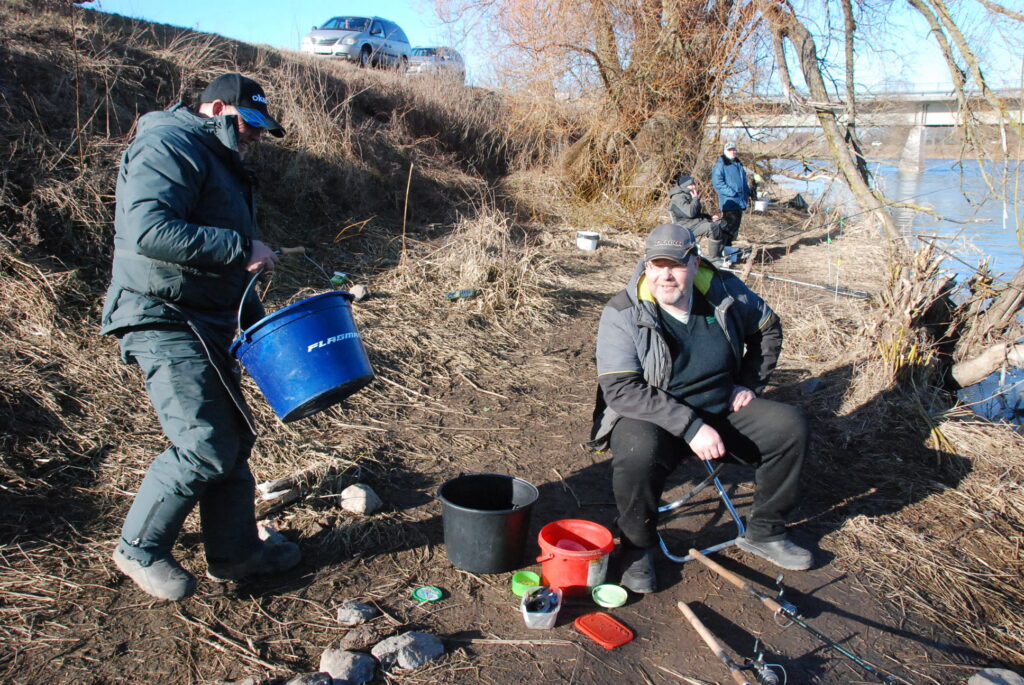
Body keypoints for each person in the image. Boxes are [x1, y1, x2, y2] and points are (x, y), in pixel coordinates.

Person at [101, 72, 300, 601]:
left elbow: (231, 262)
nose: (256, 135)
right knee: (203, 443)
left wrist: (257, 324)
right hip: (161, 315)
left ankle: (237, 553)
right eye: (249, 123)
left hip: (206, 320)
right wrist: (241, 246)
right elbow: (148, 230)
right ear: (216, 109)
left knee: (232, 439)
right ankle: (138, 548)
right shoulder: (167, 144)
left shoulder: (222, 164)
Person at [590, 223, 811, 594]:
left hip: (722, 408)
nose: (665, 275)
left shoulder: (725, 291)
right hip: (654, 416)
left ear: (694, 263)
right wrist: (690, 426)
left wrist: (748, 383)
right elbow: (621, 389)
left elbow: (769, 329)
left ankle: (765, 531)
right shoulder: (623, 311)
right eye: (656, 265)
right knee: (635, 450)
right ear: (645, 267)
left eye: (675, 265)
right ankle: (637, 547)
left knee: (791, 427)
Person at [667, 173, 729, 263]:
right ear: (685, 186)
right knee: (713, 228)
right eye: (691, 185)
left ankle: (720, 253)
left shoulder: (689, 195)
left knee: (722, 223)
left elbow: (696, 214)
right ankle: (714, 258)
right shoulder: (678, 198)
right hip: (685, 227)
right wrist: (695, 199)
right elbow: (690, 213)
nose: (694, 186)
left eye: (693, 184)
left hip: (694, 223)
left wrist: (710, 218)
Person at [711, 141, 750, 246]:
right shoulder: (721, 165)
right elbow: (717, 183)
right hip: (729, 201)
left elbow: (743, 182)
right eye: (729, 150)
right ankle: (723, 249)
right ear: (725, 151)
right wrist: (732, 193)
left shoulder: (738, 164)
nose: (732, 152)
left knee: (734, 228)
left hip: (740, 201)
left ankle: (729, 249)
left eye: (734, 149)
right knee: (728, 227)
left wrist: (748, 193)